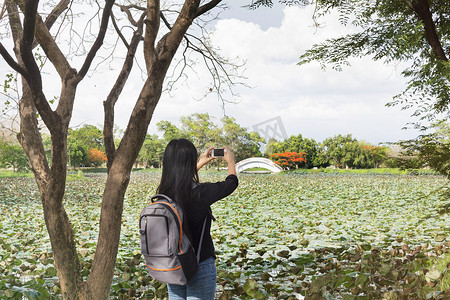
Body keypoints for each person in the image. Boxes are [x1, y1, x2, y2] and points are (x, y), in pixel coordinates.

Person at [157, 138, 238, 300]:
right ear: (190, 162)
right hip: (199, 265)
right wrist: (231, 162)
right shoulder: (201, 192)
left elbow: (180, 181)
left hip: (173, 266)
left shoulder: (164, 193)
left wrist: (200, 163)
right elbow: (231, 183)